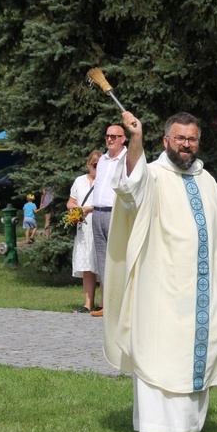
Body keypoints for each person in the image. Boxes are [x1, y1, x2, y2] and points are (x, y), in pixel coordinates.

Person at [102, 111, 217, 432]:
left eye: (192, 139)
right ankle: (158, 428)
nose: (186, 145)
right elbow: (130, 188)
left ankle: (188, 428)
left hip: (200, 290)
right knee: (161, 351)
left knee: (196, 351)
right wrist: (135, 138)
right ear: (166, 141)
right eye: (179, 138)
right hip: (161, 287)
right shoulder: (153, 176)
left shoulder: (207, 181)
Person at [90, 124, 128, 317]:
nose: (110, 139)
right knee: (103, 260)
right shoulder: (103, 160)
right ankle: (108, 304)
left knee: (118, 259)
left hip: (116, 213)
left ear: (123, 138)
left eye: (115, 136)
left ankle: (122, 306)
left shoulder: (128, 159)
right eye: (108, 136)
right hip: (98, 212)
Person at [67, 150, 102, 314]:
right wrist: (78, 209)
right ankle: (88, 303)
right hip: (84, 226)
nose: (97, 168)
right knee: (87, 265)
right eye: (94, 164)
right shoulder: (79, 181)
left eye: (100, 164)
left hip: (99, 224)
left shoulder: (106, 181)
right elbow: (70, 203)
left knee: (102, 265)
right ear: (88, 164)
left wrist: (90, 208)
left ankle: (103, 303)